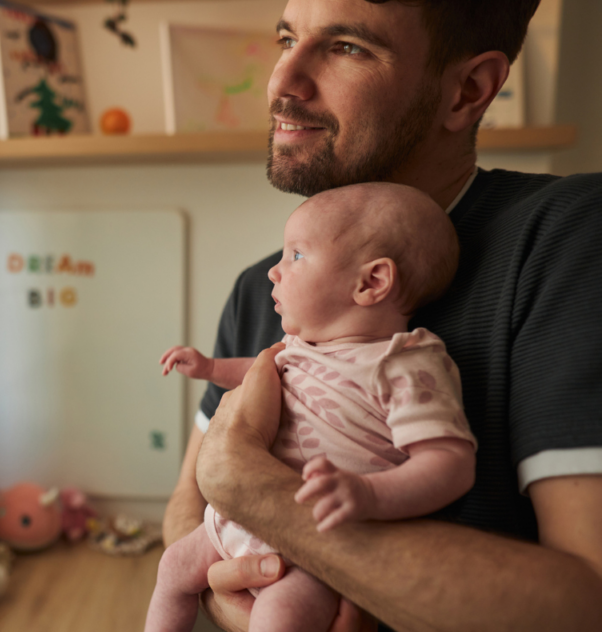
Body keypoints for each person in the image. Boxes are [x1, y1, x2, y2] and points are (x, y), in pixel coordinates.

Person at [161, 1, 602, 631]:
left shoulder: (571, 239)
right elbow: (187, 505)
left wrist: (262, 497)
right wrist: (231, 595)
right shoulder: (260, 287)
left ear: (468, 90)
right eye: (287, 37)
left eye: (347, 47)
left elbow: (590, 603)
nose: (281, 81)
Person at [147, 182, 476, 632]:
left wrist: (369, 496)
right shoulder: (299, 346)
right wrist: (210, 367)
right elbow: (261, 372)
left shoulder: (403, 364)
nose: (274, 272)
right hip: (237, 519)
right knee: (172, 569)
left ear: (372, 282)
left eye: (296, 256)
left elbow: (451, 464)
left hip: (316, 549)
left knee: (278, 618)